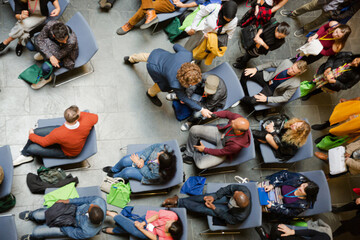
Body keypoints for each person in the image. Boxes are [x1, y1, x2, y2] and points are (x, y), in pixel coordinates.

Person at [124, 44, 212, 119]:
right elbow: (183, 98)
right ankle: (150, 94)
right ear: (184, 80)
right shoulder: (176, 84)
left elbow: (176, 46)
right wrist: (202, 109)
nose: (194, 84)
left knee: (145, 56)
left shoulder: (187, 55)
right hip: (156, 69)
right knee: (161, 86)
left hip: (159, 56)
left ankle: (130, 59)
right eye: (191, 83)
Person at [13, 105, 98, 167]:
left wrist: (31, 135)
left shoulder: (58, 133)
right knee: (36, 132)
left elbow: (44, 142)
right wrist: (79, 114)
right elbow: (95, 117)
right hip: (65, 140)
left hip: (68, 152)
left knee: (31, 146)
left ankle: (26, 154)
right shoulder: (87, 119)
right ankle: (25, 153)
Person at [182, 110, 251, 169]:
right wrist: (213, 114)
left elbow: (222, 152)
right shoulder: (237, 119)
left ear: (238, 131)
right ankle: (189, 154)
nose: (232, 121)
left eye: (233, 123)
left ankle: (196, 148)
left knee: (200, 165)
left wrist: (205, 149)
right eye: (233, 120)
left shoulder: (236, 145)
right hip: (222, 134)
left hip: (224, 148)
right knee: (194, 129)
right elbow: (227, 114)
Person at [19, 196, 106, 240]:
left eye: (90, 207)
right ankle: (31, 216)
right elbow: (84, 200)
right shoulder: (99, 201)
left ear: (88, 214)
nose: (91, 205)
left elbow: (72, 232)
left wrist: (60, 222)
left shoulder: (88, 232)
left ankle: (33, 237)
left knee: (37, 232)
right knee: (37, 215)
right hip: (72, 209)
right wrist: (68, 201)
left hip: (71, 225)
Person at [162, 184, 251, 225]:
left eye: (236, 193)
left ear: (235, 204)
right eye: (237, 192)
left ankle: (178, 202)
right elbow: (229, 188)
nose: (236, 191)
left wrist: (214, 208)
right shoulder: (244, 190)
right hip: (228, 198)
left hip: (228, 212)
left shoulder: (240, 216)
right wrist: (215, 196)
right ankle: (179, 202)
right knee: (205, 198)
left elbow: (228, 218)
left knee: (205, 208)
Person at [26, 20, 79, 89]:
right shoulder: (50, 25)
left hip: (65, 55)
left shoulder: (71, 41)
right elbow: (39, 39)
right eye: (62, 41)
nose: (65, 41)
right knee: (30, 45)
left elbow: (59, 55)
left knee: (46, 67)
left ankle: (47, 79)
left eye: (66, 39)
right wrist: (50, 56)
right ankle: (44, 55)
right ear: (54, 36)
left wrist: (49, 55)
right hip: (53, 45)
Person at [240, 59, 308, 108]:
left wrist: (267, 99)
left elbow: (285, 98)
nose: (290, 71)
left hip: (272, 90)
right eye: (292, 67)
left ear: (298, 74)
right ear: (293, 64)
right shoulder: (286, 62)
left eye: (293, 71)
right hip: (268, 78)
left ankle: (238, 97)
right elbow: (271, 64)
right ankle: (241, 89)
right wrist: (256, 69)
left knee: (252, 101)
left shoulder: (295, 83)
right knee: (246, 72)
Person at [102, 143, 176, 184]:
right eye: (160, 153)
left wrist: (138, 163)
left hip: (149, 175)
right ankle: (114, 169)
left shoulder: (159, 173)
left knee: (127, 172)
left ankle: (116, 176)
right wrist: (142, 159)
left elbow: (148, 175)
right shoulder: (165, 148)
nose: (158, 153)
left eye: (158, 157)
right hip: (148, 158)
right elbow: (152, 147)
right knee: (125, 160)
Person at [280, 0, 359, 37]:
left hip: (333, 11)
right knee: (306, 7)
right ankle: (293, 13)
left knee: (316, 22)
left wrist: (337, 16)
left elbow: (351, 11)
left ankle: (304, 29)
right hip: (323, 1)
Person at [116, 0, 189, 35]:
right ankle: (151, 13)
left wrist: (184, 5)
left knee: (145, 7)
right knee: (148, 6)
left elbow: (200, 2)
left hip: (170, 3)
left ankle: (130, 24)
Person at [102, 209, 183, 240]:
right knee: (132, 226)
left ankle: (112, 215)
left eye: (167, 225)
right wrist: (144, 223)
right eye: (170, 222)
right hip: (149, 219)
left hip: (149, 233)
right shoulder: (173, 216)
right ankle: (114, 228)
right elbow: (157, 215)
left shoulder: (169, 239)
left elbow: (155, 238)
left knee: (135, 231)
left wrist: (141, 228)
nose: (167, 222)